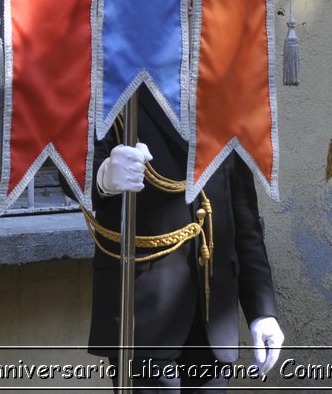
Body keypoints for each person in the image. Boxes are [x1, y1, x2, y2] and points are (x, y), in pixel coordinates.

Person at [87, 87, 284, 391]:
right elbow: (72, 165)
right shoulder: (117, 80)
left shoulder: (220, 92)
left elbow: (242, 213)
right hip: (144, 309)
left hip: (213, 314)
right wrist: (104, 176)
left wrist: (261, 310)